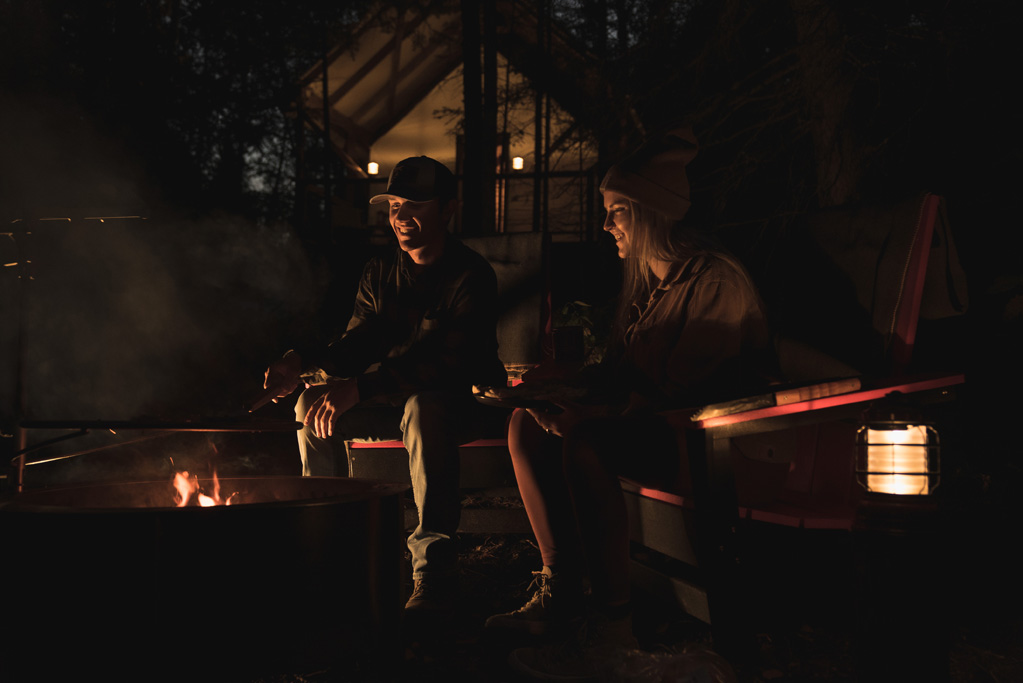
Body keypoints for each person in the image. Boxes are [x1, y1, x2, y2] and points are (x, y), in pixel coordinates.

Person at [486, 128, 772, 680]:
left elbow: (686, 395)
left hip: (710, 443)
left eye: (617, 211)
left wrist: (591, 417)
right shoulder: (651, 286)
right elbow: (623, 374)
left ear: (651, 211)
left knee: (585, 442)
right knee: (526, 424)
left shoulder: (714, 281)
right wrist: (554, 393)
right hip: (659, 427)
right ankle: (561, 587)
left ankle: (613, 628)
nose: (606, 225)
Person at [263, 156, 507, 613]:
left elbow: (447, 366)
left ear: (448, 209)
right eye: (394, 205)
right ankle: (329, 547)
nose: (399, 217)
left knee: (424, 407)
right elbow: (360, 342)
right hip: (393, 397)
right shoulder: (381, 271)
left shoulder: (470, 276)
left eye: (415, 205)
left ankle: (433, 572)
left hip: (462, 403)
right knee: (309, 404)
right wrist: (303, 363)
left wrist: (362, 388)